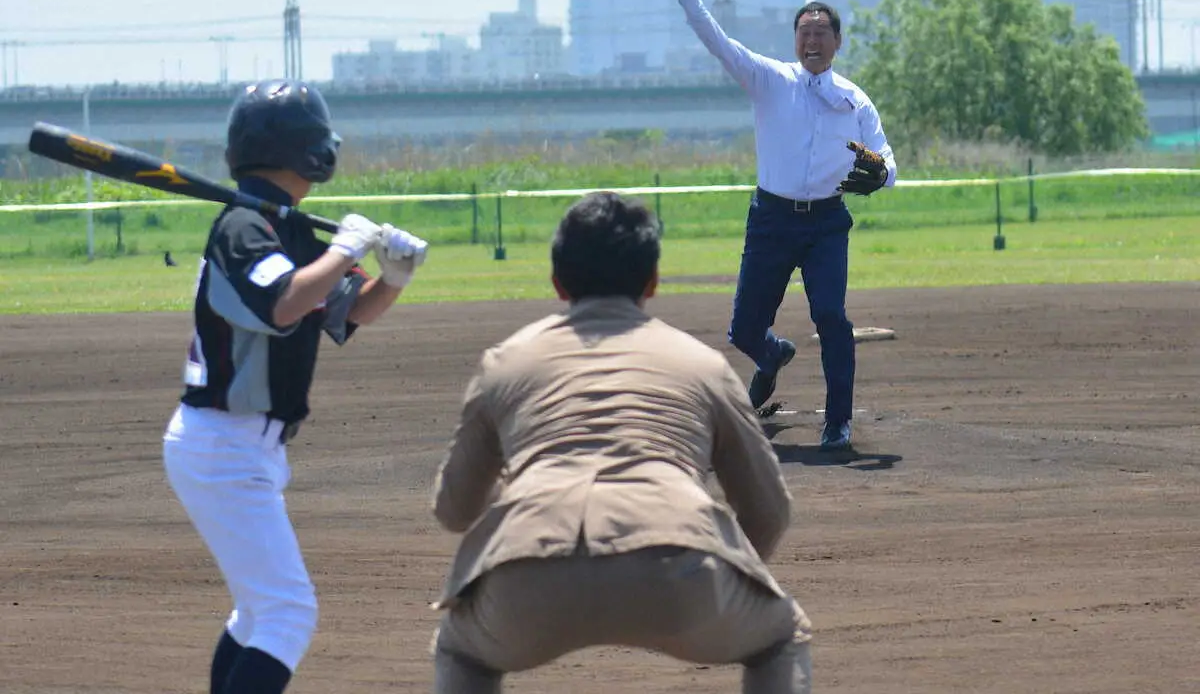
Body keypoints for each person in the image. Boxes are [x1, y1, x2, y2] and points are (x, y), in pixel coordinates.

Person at [430, 191, 813, 694]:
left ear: (557, 283)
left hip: (526, 567)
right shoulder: (702, 365)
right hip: (678, 562)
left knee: (462, 650)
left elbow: (454, 510)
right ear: (653, 282)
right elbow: (769, 511)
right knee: (782, 635)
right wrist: (725, 577)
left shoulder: (505, 362)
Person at [162, 79, 428, 694]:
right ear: (307, 150)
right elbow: (283, 304)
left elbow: (345, 311)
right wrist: (342, 250)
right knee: (287, 614)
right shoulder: (244, 229)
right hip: (221, 446)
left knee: (258, 613)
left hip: (244, 446)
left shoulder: (289, 230)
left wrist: (392, 277)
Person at [654, 0, 898, 450]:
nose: (812, 40)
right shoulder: (769, 79)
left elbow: (887, 161)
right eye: (805, 32)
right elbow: (719, 44)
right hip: (772, 218)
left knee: (831, 316)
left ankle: (838, 422)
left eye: (822, 33)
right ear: (795, 40)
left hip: (827, 222)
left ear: (836, 42)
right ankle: (770, 356)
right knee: (744, 330)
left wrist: (883, 174)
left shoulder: (854, 99)